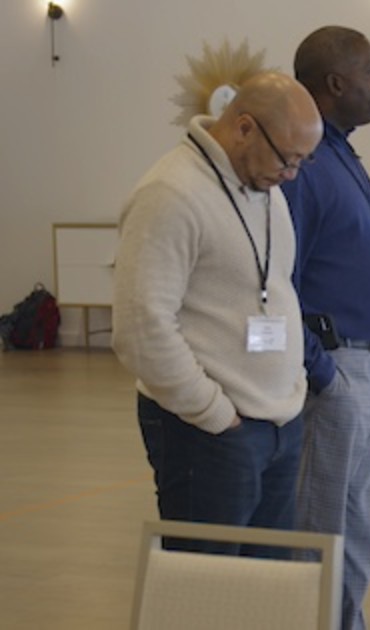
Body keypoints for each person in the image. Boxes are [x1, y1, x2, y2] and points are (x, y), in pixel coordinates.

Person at [113, 72, 323, 556]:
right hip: (210, 431)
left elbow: (274, 287)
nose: (292, 174)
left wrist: (290, 391)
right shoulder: (170, 193)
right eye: (287, 158)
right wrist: (214, 413)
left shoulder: (261, 183)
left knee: (263, 583)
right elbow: (141, 327)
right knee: (204, 589)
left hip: (277, 420)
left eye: (301, 162)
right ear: (244, 127)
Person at [281, 27, 370, 630]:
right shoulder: (303, 163)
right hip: (334, 368)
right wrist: (322, 371)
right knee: (321, 528)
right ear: (335, 83)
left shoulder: (342, 152)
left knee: (356, 525)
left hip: (368, 363)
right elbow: (281, 283)